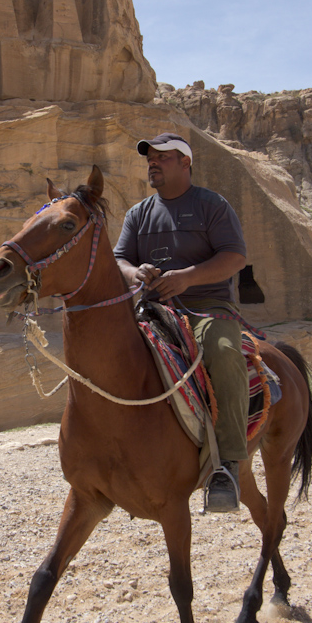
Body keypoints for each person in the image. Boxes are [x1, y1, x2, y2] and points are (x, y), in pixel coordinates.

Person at [114, 132, 249, 513]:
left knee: (223, 353)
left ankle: (227, 466)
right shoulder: (138, 213)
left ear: (185, 162)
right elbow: (118, 260)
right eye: (149, 158)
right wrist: (134, 271)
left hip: (206, 306)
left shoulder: (212, 205)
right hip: (153, 309)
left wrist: (188, 276)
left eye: (162, 157)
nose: (152, 163)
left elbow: (235, 256)